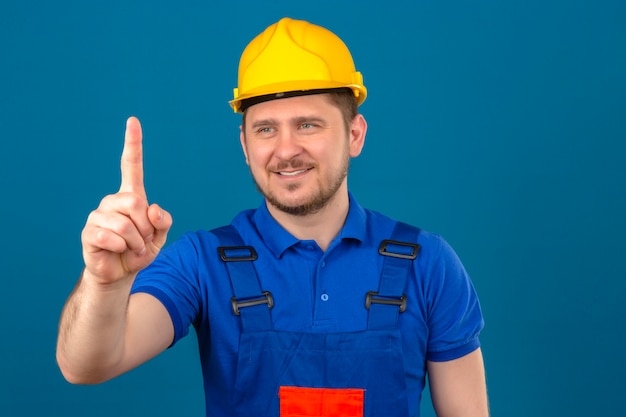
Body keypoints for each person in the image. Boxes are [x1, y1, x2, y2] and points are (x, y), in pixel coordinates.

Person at [56, 17, 489, 417]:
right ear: (245, 145)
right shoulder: (201, 262)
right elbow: (87, 366)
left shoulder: (426, 264)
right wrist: (104, 283)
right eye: (265, 129)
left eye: (308, 125)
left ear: (354, 135)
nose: (285, 150)